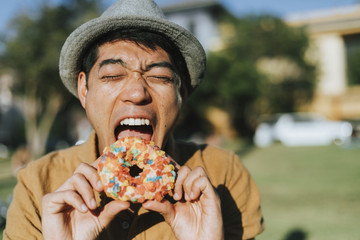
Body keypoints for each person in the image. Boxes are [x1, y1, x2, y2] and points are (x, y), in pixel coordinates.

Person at [3, 0, 264, 239]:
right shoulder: (38, 186)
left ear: (181, 93)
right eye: (113, 75)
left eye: (160, 77)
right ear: (84, 90)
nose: (137, 93)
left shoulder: (224, 175)